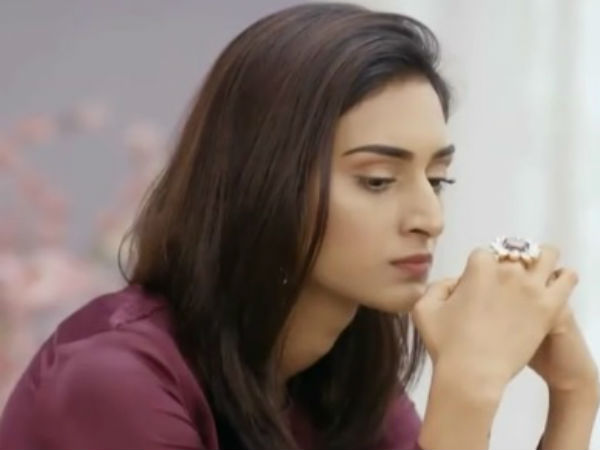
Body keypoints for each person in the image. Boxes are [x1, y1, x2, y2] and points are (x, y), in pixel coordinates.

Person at [0, 3, 598, 450]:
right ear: (263, 183)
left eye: (437, 179)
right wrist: (466, 394)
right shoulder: (113, 383)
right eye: (378, 181)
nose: (430, 219)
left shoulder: (344, 380)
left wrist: (573, 401)